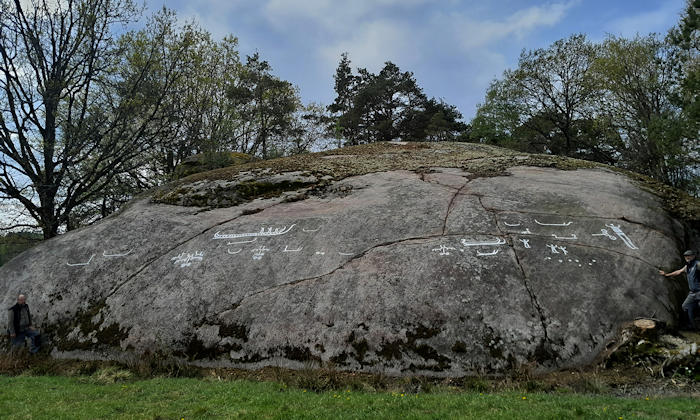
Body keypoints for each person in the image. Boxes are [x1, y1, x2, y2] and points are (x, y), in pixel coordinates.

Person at [659, 250, 700, 331]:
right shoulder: (687, 266)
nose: (687, 257)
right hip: (692, 293)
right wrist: (666, 275)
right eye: (685, 256)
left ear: (693, 256)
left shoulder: (697, 264)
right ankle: (692, 326)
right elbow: (678, 272)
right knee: (686, 306)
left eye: (689, 255)